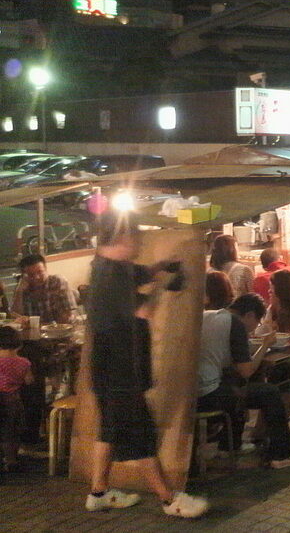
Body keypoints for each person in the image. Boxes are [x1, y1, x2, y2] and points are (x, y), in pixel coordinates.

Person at [85, 211, 208, 518]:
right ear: (123, 239)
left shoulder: (105, 266)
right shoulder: (113, 278)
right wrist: (163, 291)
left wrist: (161, 267)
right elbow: (144, 313)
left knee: (110, 431)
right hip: (120, 371)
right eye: (136, 239)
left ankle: (98, 493)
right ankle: (170, 500)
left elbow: (138, 274)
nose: (139, 246)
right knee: (139, 434)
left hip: (106, 369)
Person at [196, 293, 290, 469]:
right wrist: (265, 344)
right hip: (208, 396)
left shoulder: (209, 315)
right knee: (269, 392)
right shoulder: (236, 323)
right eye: (257, 322)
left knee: (238, 386)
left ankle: (228, 446)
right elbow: (246, 370)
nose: (254, 328)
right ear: (249, 315)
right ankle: (282, 454)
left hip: (191, 392)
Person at [0, 326, 34, 472]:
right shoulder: (24, 362)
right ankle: (12, 460)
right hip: (14, 400)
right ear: (19, 344)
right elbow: (29, 381)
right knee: (12, 431)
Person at [10, 253, 77, 324]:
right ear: (24, 276)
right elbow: (15, 317)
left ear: (46, 269)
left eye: (40, 272)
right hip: (35, 332)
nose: (36, 277)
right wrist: (19, 291)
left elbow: (69, 314)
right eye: (31, 275)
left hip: (60, 329)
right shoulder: (23, 288)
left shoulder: (57, 282)